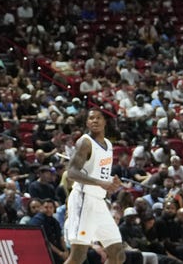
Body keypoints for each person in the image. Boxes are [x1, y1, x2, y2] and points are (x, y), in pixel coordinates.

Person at [62, 110, 125, 264]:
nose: (95, 121)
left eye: (98, 118)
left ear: (105, 122)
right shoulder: (85, 142)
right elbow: (72, 172)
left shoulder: (108, 145)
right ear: (87, 123)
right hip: (83, 199)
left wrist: (111, 182)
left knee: (117, 253)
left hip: (99, 201)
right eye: (91, 118)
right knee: (78, 255)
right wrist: (101, 183)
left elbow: (97, 173)